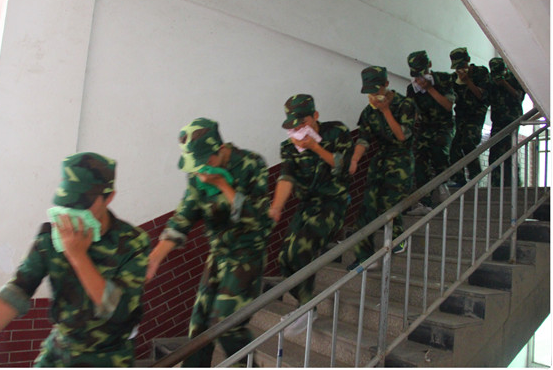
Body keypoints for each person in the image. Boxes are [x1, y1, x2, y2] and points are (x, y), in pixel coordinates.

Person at [0, 152, 152, 367]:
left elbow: (119, 312)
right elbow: (16, 293)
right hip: (60, 351)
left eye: (84, 201)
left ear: (109, 197)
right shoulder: (52, 237)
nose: (74, 210)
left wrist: (78, 256)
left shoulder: (133, 242)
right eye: (69, 200)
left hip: (110, 357)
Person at [146, 118, 272, 367]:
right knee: (199, 326)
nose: (199, 172)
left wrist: (223, 185)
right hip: (218, 254)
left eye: (203, 163)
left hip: (247, 254)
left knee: (227, 324)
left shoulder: (251, 163)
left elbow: (258, 220)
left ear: (219, 150)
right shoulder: (198, 174)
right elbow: (184, 215)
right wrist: (155, 257)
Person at [269, 94, 353, 336]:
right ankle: (305, 305)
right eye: (293, 125)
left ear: (315, 116)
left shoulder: (336, 131)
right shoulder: (289, 147)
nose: (298, 129)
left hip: (333, 202)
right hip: (306, 205)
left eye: (302, 122)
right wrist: (276, 208)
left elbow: (344, 167)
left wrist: (315, 147)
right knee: (285, 257)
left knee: (301, 249)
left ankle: (306, 308)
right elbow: (286, 177)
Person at [346, 66, 416, 271]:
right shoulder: (368, 112)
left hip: (401, 160)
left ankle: (398, 238)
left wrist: (386, 111)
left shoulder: (405, 104)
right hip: (380, 160)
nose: (373, 96)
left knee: (389, 203)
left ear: (386, 84)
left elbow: (401, 136)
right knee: (367, 207)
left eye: (376, 90)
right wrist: (354, 160)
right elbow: (363, 139)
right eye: (369, 92)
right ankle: (365, 257)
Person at [406, 50, 456, 215]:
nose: (419, 77)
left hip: (444, 125)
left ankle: (442, 184)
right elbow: (412, 113)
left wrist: (430, 89)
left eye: (422, 72)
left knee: (439, 150)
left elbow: (448, 105)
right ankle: (423, 202)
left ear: (429, 65)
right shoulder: (412, 89)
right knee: (419, 160)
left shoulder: (444, 79)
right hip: (425, 127)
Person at [448, 47, 490, 186]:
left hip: (475, 114)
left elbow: (482, 96)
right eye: (457, 67)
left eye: (462, 65)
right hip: (461, 115)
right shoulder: (454, 78)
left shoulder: (480, 72)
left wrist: (468, 81)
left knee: (468, 142)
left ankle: (475, 175)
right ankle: (458, 179)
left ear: (468, 60)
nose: (460, 69)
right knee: (454, 146)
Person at [487, 57, 525, 185]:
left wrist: (504, 83)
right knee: (494, 152)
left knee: (509, 151)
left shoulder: (514, 78)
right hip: (497, 121)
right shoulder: (491, 81)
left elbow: (518, 96)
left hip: (511, 120)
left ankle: (513, 183)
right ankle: (495, 184)